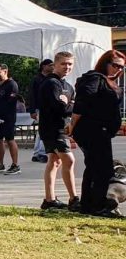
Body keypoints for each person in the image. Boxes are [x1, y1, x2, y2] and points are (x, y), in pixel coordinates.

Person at [71, 49, 125, 217]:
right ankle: (98, 206)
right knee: (103, 170)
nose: (118, 70)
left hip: (101, 131)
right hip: (92, 130)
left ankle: (88, 205)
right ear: (105, 64)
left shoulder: (108, 82)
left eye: (122, 67)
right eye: (115, 65)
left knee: (94, 167)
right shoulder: (95, 78)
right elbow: (82, 102)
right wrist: (72, 126)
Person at [38, 52, 78, 211]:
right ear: (55, 65)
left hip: (62, 128)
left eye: (70, 64)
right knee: (69, 160)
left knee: (54, 162)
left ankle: (49, 200)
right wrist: (68, 105)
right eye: (63, 64)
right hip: (51, 129)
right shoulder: (51, 84)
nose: (67, 67)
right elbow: (60, 107)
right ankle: (74, 199)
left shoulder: (68, 86)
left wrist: (69, 105)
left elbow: (72, 106)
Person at [27, 59, 54, 162]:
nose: (52, 67)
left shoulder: (51, 78)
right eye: (50, 65)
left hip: (48, 108)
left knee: (41, 131)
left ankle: (37, 152)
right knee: (44, 130)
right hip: (40, 108)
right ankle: (42, 152)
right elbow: (32, 96)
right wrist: (32, 110)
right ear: (44, 66)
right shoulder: (37, 79)